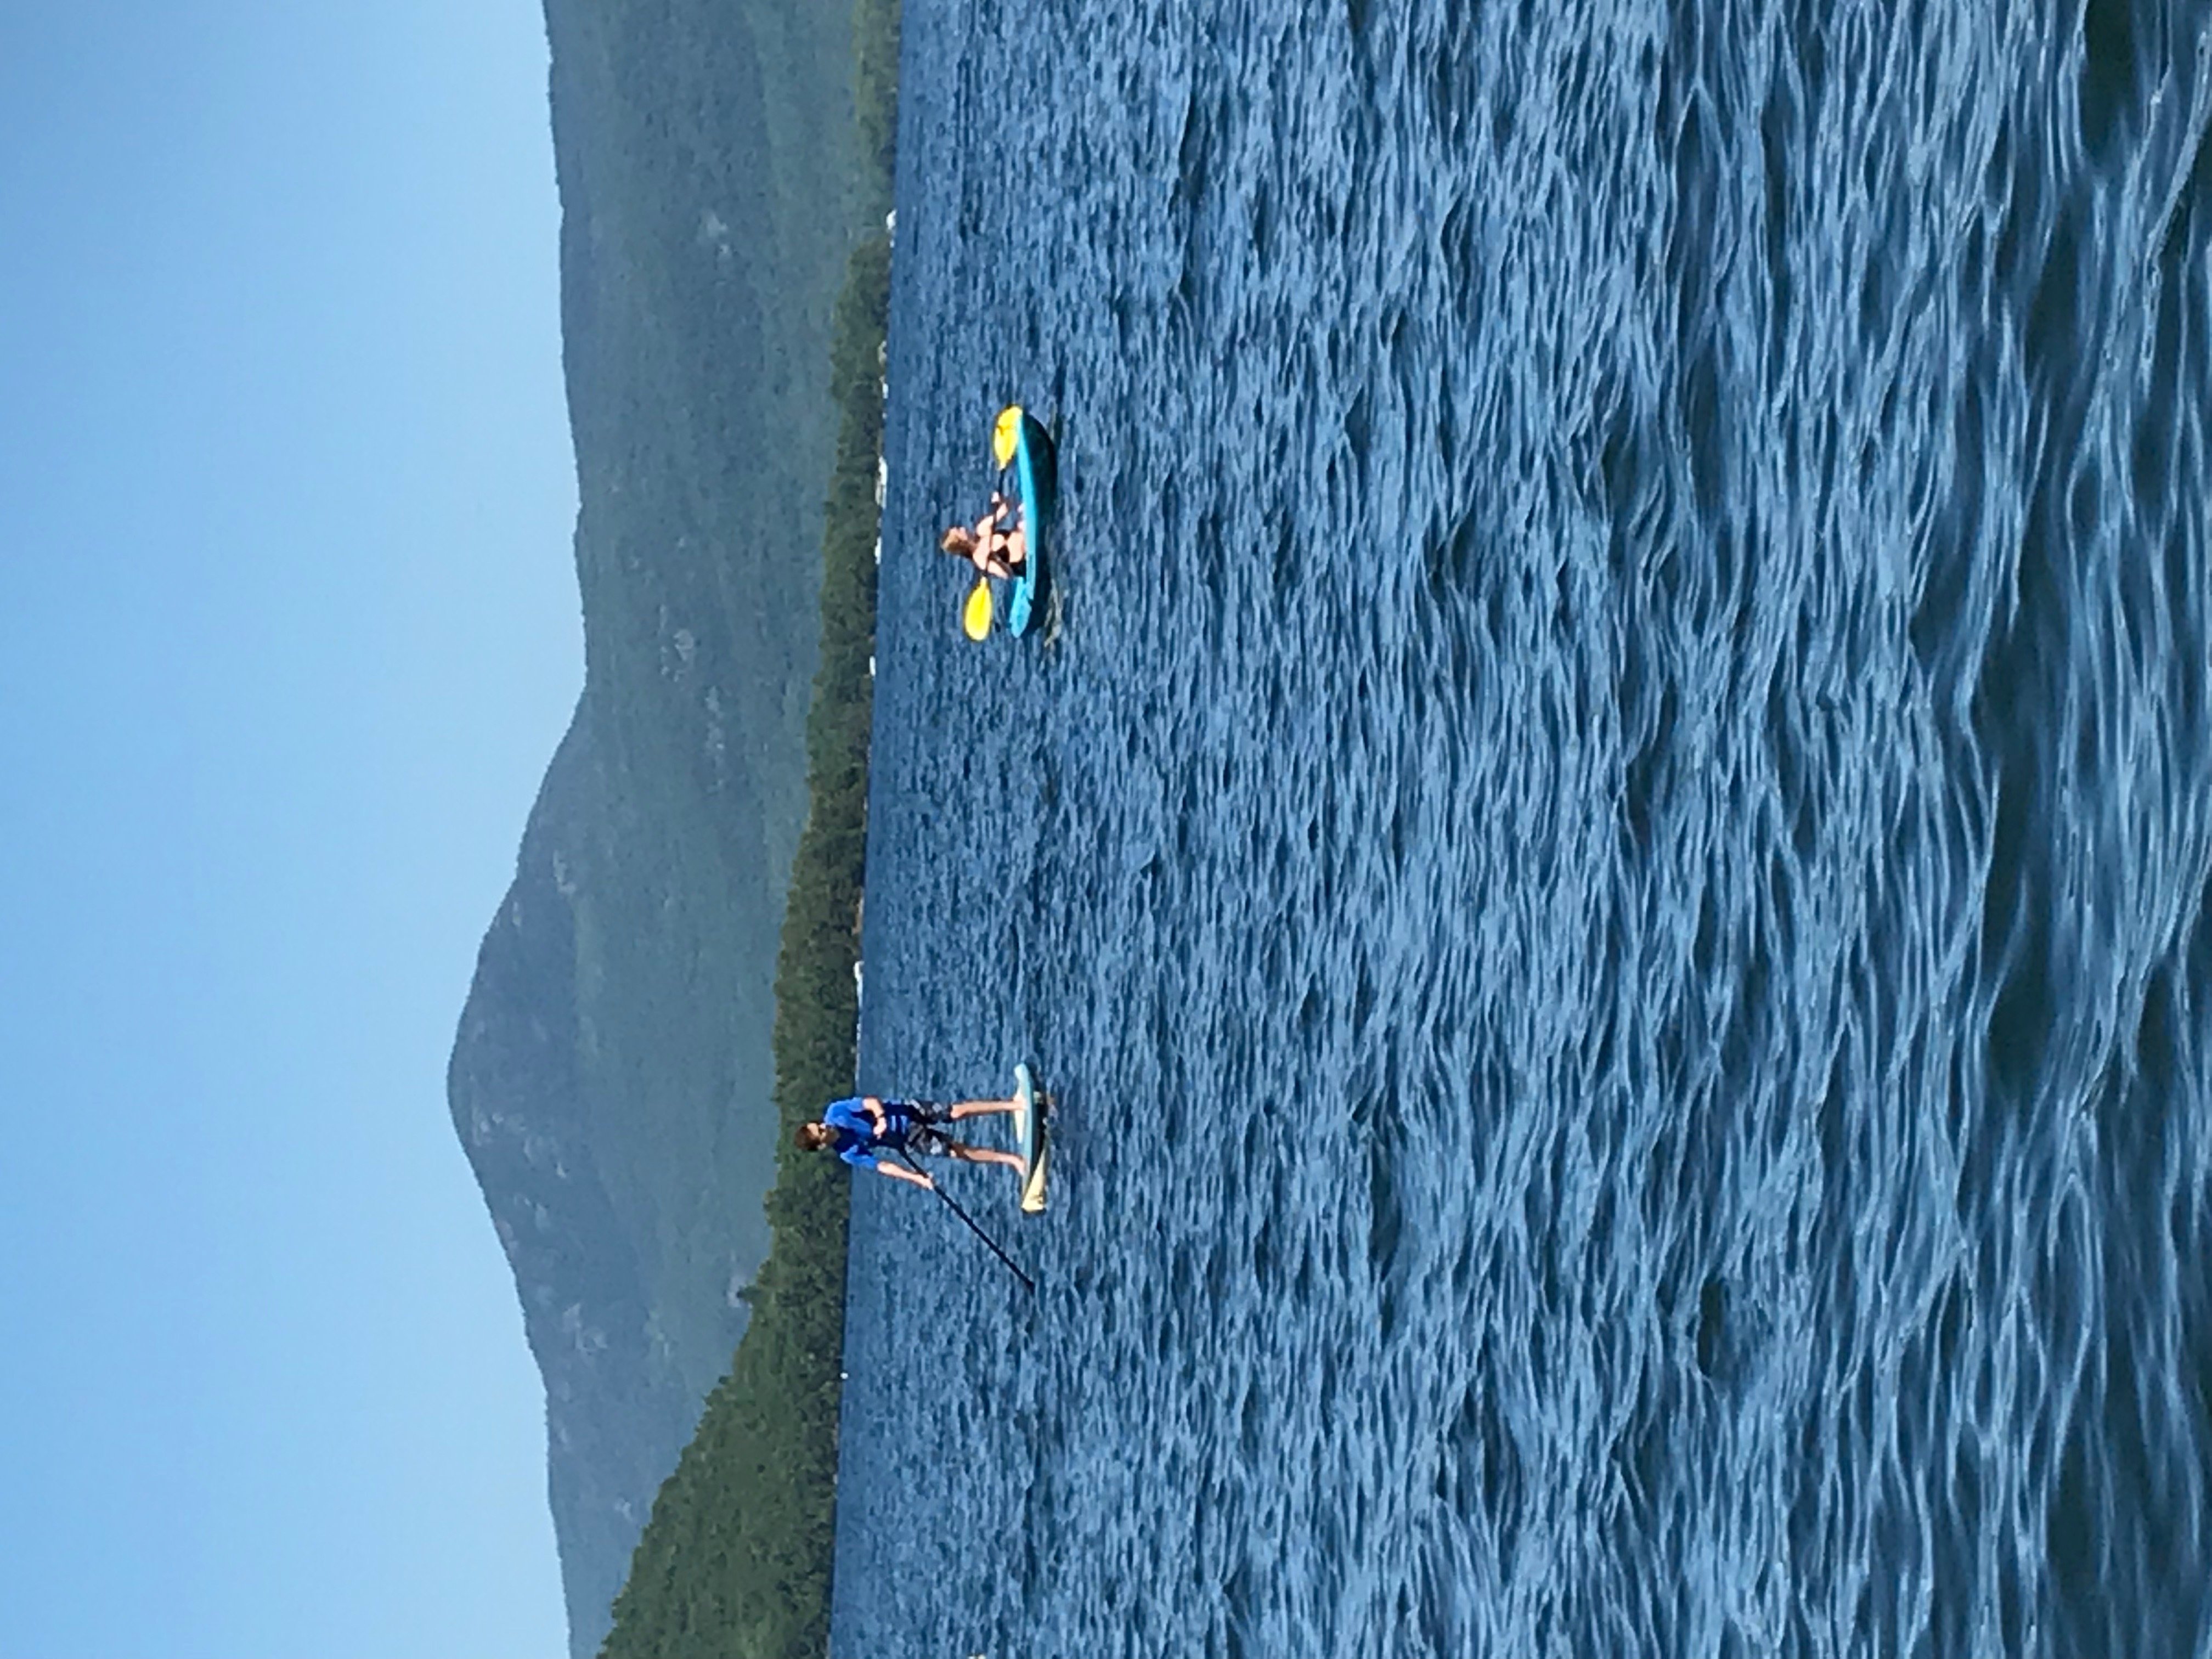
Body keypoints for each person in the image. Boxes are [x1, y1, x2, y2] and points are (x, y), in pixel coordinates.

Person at [795, 1092, 1027, 1190]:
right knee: (957, 1151)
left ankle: (1015, 1104)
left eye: (820, 1125)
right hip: (909, 1139)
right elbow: (883, 1166)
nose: (825, 1126)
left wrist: (881, 1119)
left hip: (906, 1111)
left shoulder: (836, 1111)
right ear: (822, 1144)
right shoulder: (847, 1152)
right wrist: (917, 1178)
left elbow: (870, 1102)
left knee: (955, 1112)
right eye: (822, 1132)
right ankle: (1013, 1160)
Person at [940, 491, 1026, 579]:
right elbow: (1006, 574)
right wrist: (996, 562)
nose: (963, 528)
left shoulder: (982, 529)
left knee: (1022, 513)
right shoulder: (980, 559)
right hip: (1023, 561)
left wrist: (1001, 500)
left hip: (1025, 536)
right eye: (959, 531)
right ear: (961, 542)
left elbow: (1006, 508)